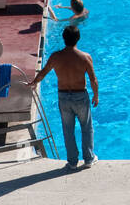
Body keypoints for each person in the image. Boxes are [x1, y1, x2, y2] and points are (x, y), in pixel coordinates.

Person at [32, 25, 99, 170]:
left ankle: (72, 162)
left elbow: (43, 72)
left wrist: (33, 83)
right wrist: (96, 95)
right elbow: (93, 80)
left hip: (63, 97)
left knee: (68, 130)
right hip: (80, 95)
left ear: (63, 38)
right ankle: (88, 159)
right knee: (86, 128)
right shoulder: (85, 57)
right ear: (78, 39)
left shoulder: (56, 57)